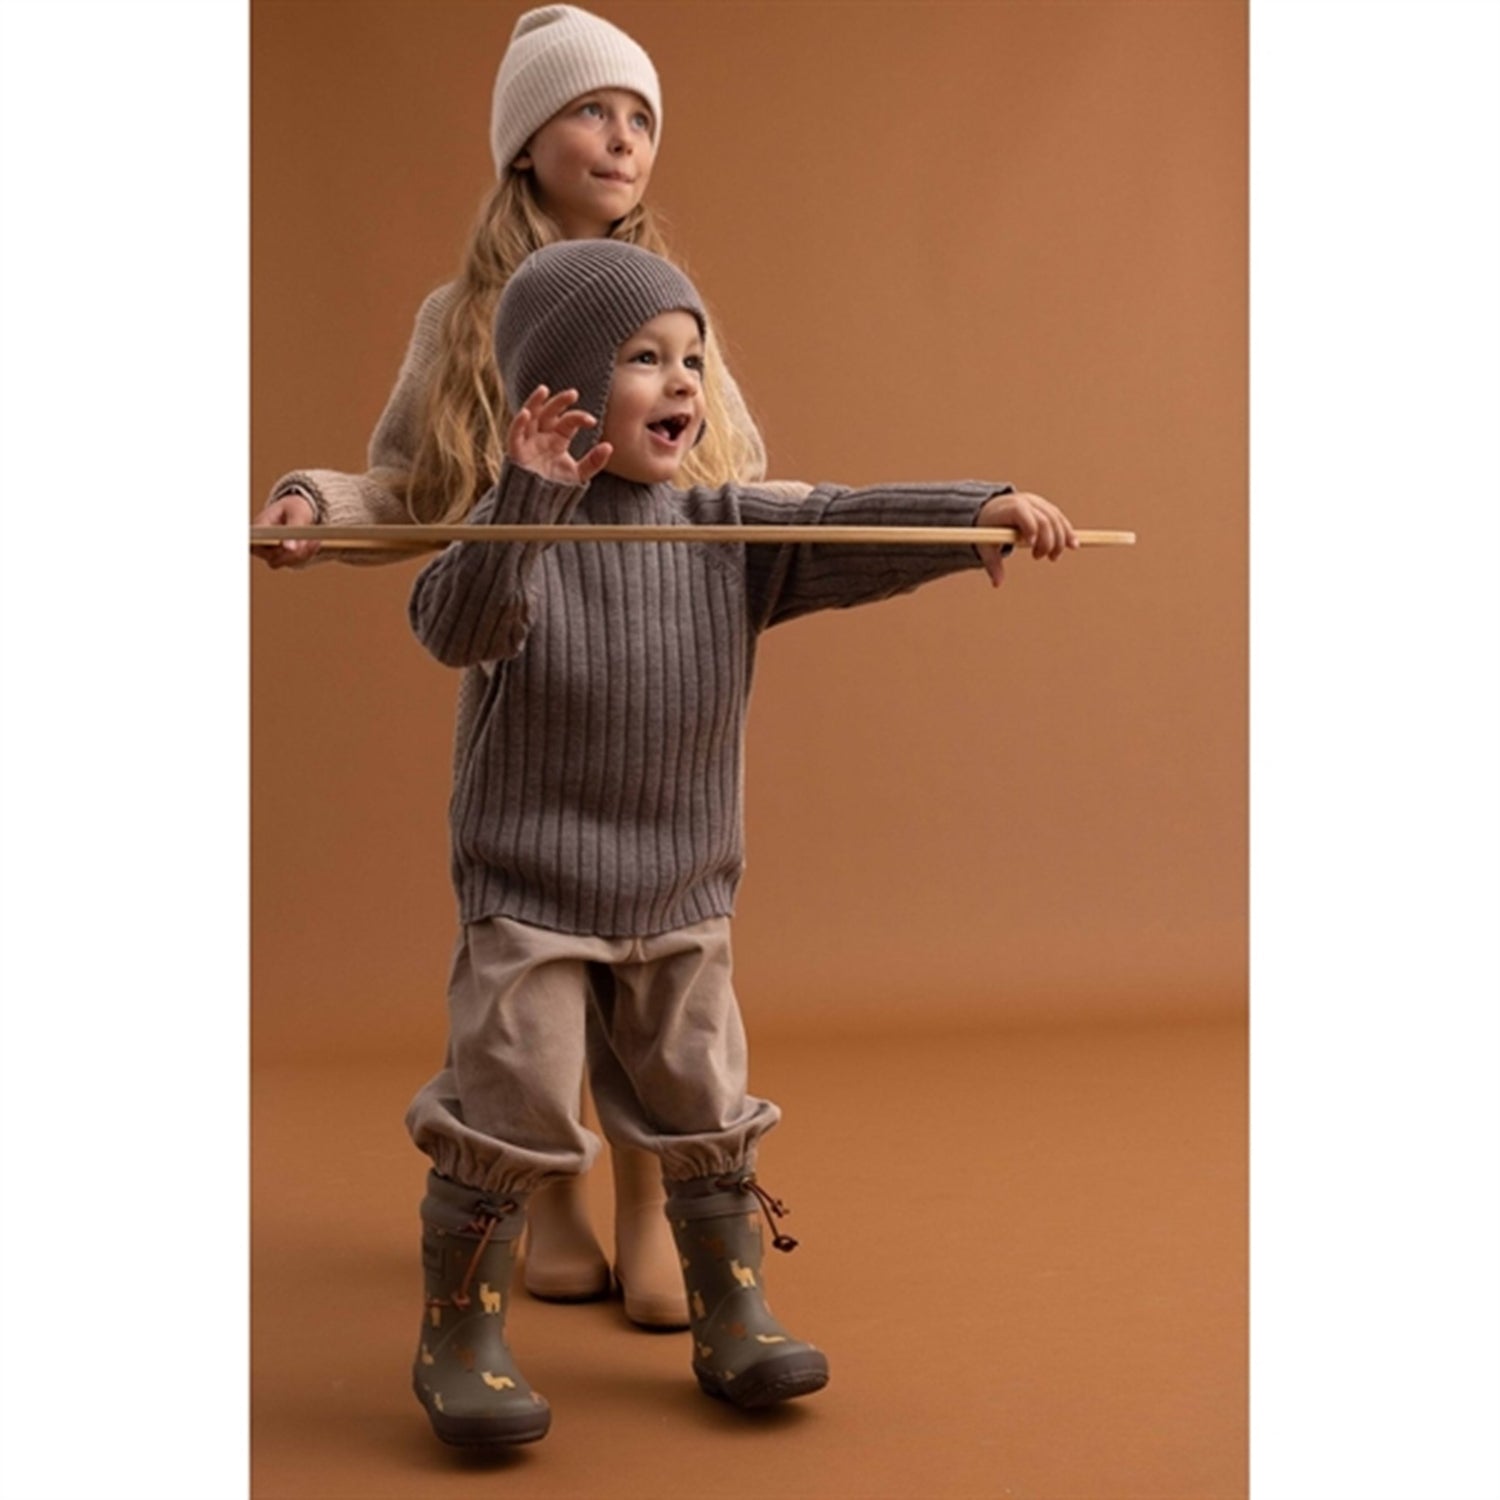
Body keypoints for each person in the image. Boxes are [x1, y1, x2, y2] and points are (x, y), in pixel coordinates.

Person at [403, 238, 1078, 1446]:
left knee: (705, 1100)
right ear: (560, 390)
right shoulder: (518, 532)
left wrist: (975, 512)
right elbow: (456, 625)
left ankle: (734, 1314)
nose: (682, 382)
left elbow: (844, 521)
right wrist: (527, 501)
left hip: (681, 890)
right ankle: (462, 1336)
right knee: (510, 1102)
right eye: (643, 358)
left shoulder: (722, 530)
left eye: (692, 358)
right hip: (529, 896)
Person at [255, 4, 789, 1330]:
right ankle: (548, 1194)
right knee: (533, 957)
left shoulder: (675, 308)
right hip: (536, 668)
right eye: (590, 109)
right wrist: (318, 505)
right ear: (524, 141)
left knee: (663, 968)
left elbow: (737, 477)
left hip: (658, 672)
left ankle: (655, 1207)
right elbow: (408, 485)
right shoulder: (459, 319)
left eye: (641, 115)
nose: (621, 135)